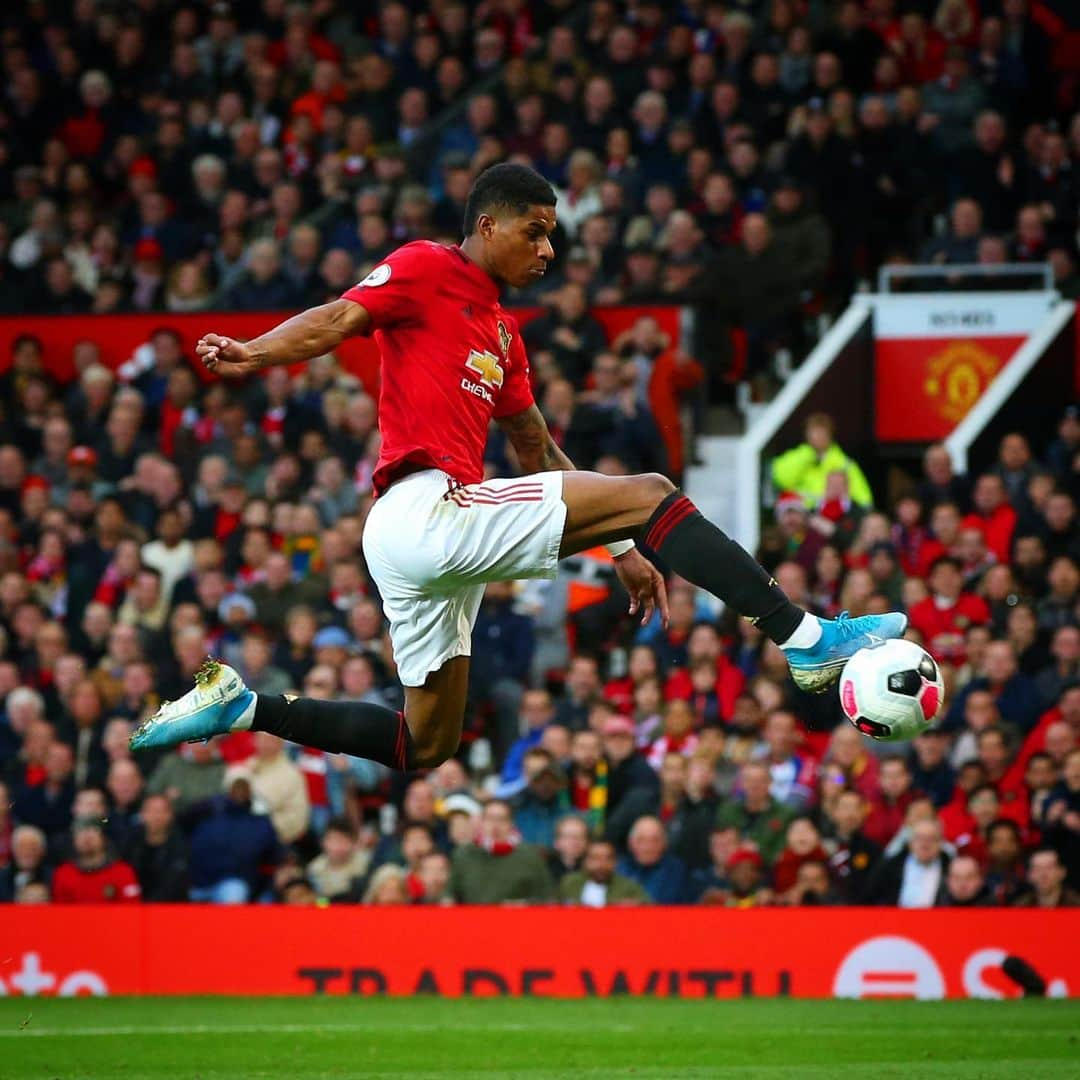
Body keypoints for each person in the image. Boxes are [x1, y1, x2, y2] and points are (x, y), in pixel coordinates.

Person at [129, 163, 905, 771]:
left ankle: (243, 708)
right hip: (422, 509)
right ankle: (804, 638)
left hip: (433, 552)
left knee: (423, 745)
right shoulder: (427, 268)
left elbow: (536, 451)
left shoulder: (503, 335)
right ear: (487, 225)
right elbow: (337, 319)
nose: (548, 249)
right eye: (534, 232)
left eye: (552, 235)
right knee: (653, 491)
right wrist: (253, 351)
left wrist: (623, 547)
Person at [559, 838, 650, 906]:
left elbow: (650, 910)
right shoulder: (569, 884)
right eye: (595, 858)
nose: (601, 864)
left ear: (615, 862)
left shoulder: (629, 888)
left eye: (607, 859)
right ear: (585, 861)